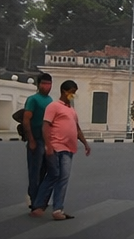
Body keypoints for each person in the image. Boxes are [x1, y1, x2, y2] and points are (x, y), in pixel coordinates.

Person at [30, 80, 90, 220]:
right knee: (53, 175)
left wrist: (85, 143)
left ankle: (58, 209)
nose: (73, 95)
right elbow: (46, 126)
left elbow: (77, 129)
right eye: (72, 92)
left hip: (69, 149)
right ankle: (38, 205)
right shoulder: (53, 106)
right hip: (56, 146)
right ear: (64, 91)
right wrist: (48, 145)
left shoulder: (71, 110)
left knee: (63, 178)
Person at [22, 73, 53, 209]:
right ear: (38, 84)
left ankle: (40, 197)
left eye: (49, 83)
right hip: (36, 139)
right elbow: (26, 120)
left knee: (46, 171)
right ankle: (35, 201)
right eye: (44, 83)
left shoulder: (50, 100)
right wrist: (31, 140)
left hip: (47, 140)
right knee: (34, 171)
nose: (47, 86)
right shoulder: (33, 100)